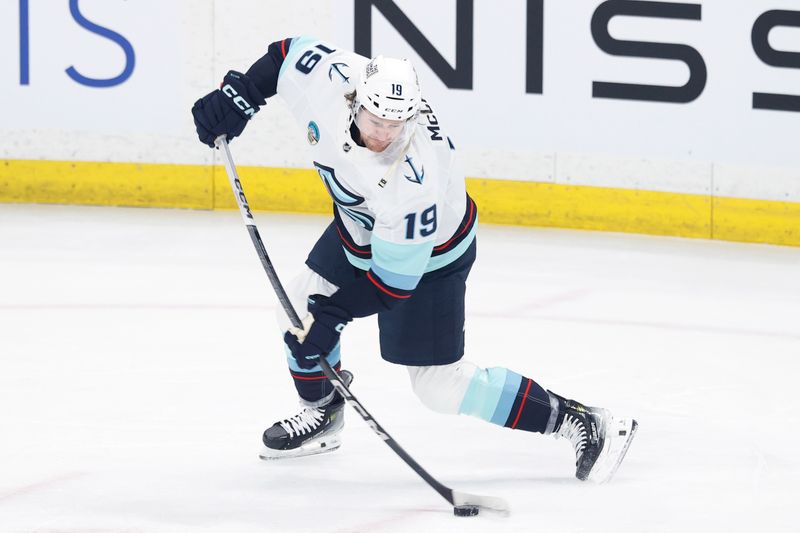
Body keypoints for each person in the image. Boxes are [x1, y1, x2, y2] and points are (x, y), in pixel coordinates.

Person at [191, 36, 638, 482]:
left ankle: (579, 420)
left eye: (396, 124)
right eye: (374, 120)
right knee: (295, 305)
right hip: (360, 224)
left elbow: (391, 284)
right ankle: (323, 412)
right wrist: (240, 95)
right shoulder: (336, 79)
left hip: (430, 260)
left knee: (439, 387)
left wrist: (335, 316)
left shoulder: (412, 180)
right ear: (354, 100)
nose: (384, 134)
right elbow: (286, 54)